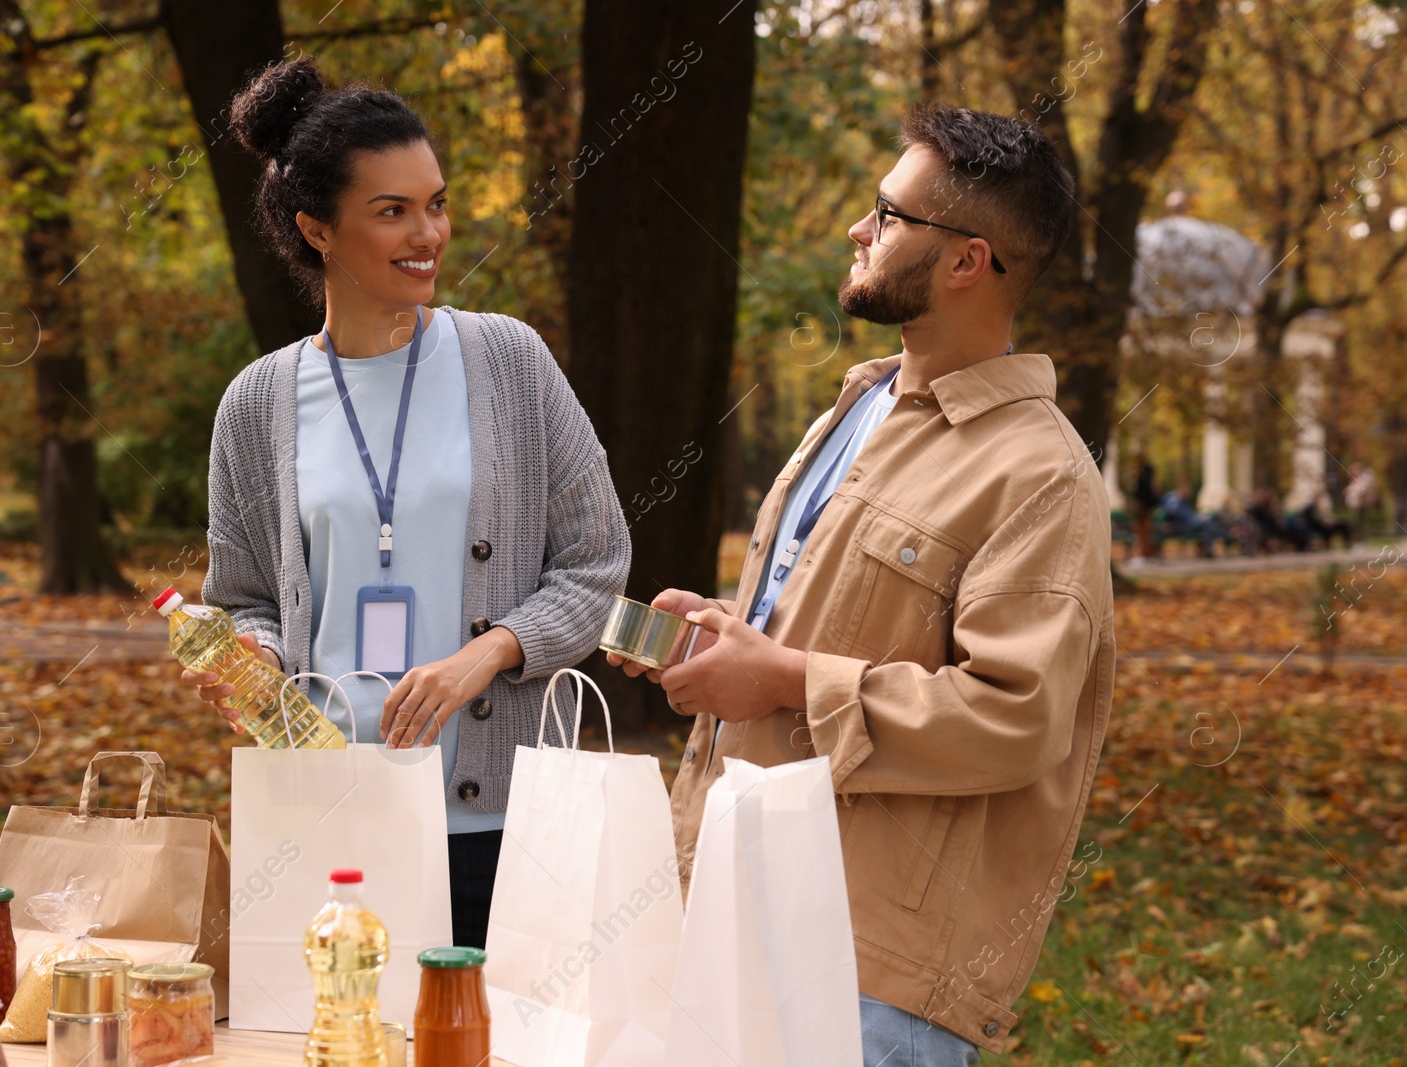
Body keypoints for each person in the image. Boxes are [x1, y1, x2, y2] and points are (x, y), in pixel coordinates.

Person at [611, 104, 1113, 1065]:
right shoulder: (860, 403)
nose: (859, 228)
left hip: (866, 972)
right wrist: (730, 639)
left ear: (967, 261)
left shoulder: (1041, 475)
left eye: (888, 214)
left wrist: (787, 678)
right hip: (726, 895)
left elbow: (1017, 716)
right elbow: (820, 627)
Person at [180, 60, 630, 948]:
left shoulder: (510, 362)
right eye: (392, 211)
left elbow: (596, 563)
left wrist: (489, 654)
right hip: (329, 814)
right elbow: (245, 599)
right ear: (317, 228)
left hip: (499, 820)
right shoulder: (258, 403)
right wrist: (250, 654)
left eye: (436, 202)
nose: (428, 232)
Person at [1131, 458, 1160, 561]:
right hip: (1144, 510)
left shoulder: (1141, 480)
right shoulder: (1147, 482)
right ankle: (1145, 554)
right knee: (1144, 532)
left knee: (1143, 532)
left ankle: (1145, 554)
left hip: (1142, 509)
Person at [1343, 467, 1378, 546]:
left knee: (1359, 524)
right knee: (1355, 524)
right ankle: (1357, 541)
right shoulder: (1354, 481)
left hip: (1360, 505)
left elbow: (1361, 491)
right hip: (1354, 505)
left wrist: (1352, 491)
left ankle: (1361, 542)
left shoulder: (1362, 480)